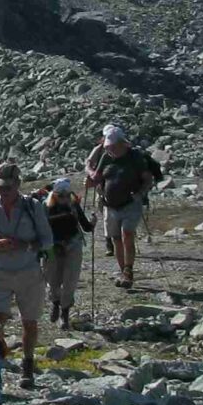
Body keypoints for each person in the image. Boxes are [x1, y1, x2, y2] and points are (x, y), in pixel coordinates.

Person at [0, 159, 55, 388]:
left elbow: (47, 240)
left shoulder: (33, 206)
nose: (3, 192)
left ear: (17, 184)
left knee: (29, 322)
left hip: (29, 272)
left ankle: (27, 368)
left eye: (7, 187)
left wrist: (25, 245)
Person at [84, 124, 166, 292]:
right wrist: (90, 182)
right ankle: (123, 272)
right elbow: (98, 177)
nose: (110, 150)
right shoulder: (106, 157)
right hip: (110, 205)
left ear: (122, 144)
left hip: (131, 202)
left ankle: (128, 271)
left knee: (127, 234)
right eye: (108, 147)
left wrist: (141, 193)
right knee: (115, 240)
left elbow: (147, 178)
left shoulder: (134, 157)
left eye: (113, 147)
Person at [44, 175, 92, 327]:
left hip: (73, 244)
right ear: (54, 195)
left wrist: (93, 223)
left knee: (70, 280)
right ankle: (55, 303)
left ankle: (65, 313)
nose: (65, 198)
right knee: (53, 280)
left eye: (67, 195)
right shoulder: (45, 208)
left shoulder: (73, 205)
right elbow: (41, 230)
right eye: (61, 195)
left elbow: (86, 226)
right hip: (52, 247)